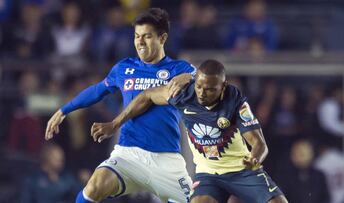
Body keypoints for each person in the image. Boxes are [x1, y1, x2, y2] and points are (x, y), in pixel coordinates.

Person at [45, 8, 195, 203]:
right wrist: (64, 110)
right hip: (128, 154)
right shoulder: (124, 68)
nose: (140, 42)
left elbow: (208, 78)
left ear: (163, 38)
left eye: (147, 36)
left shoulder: (178, 68)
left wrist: (190, 76)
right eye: (137, 36)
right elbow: (98, 90)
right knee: (94, 187)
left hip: (166, 159)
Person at [92, 59, 288, 203]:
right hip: (208, 175)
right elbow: (147, 96)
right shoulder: (184, 94)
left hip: (241, 171)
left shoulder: (235, 101)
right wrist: (114, 124)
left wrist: (255, 159)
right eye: (199, 87)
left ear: (223, 87)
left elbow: (259, 143)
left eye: (210, 89)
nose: (202, 93)